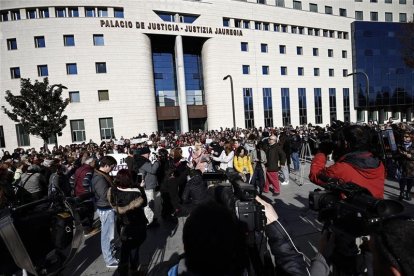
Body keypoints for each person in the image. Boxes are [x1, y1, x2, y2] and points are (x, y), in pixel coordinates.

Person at [309, 125, 385, 199]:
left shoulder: (342, 168)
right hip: (377, 207)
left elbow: (315, 175)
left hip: (351, 209)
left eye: (339, 141)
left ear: (345, 143)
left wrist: (322, 152)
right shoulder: (378, 163)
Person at [108, 169, 147, 276]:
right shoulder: (136, 191)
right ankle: (134, 270)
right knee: (134, 247)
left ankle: (123, 269)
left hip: (121, 222)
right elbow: (144, 203)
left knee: (125, 247)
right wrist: (141, 188)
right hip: (135, 223)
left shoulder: (113, 190)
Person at [92, 155, 118, 268]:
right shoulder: (99, 177)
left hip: (107, 208)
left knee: (110, 234)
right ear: (106, 165)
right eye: (112, 167)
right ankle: (109, 259)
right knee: (107, 236)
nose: (112, 169)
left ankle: (111, 251)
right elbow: (104, 195)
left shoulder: (103, 175)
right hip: (106, 208)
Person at [135, 147, 160, 227]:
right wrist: (157, 162)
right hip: (147, 186)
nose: (149, 155)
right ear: (144, 154)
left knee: (150, 203)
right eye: (148, 153)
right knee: (149, 204)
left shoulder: (143, 160)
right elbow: (152, 170)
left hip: (148, 185)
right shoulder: (142, 161)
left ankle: (151, 218)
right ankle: (149, 222)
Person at [398, 132, 414, 201]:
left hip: (411, 166)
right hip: (402, 165)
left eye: (407, 136)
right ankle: (401, 193)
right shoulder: (400, 145)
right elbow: (395, 155)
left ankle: (408, 193)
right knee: (402, 180)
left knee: (410, 180)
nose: (405, 138)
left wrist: (411, 156)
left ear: (410, 138)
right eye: (404, 136)